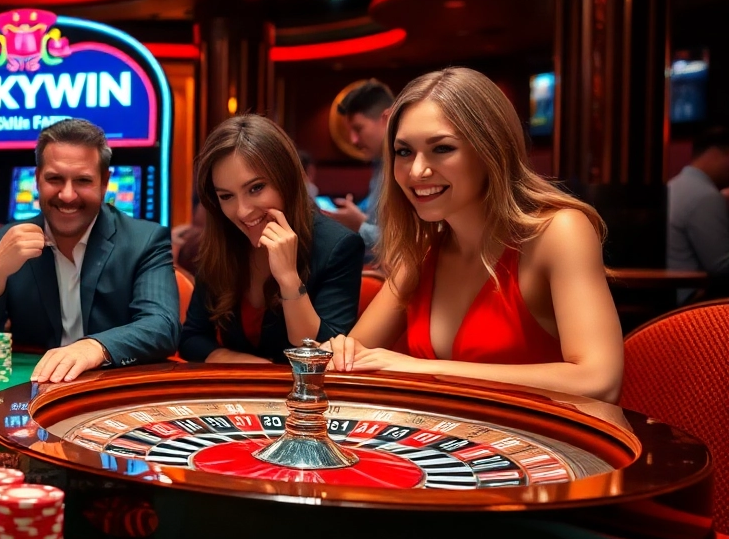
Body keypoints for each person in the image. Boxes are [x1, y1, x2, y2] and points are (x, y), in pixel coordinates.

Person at [326, 67, 623, 404]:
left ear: (490, 151)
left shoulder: (560, 232)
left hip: (553, 447)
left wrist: (419, 370)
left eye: (442, 149)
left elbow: (599, 380)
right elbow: (353, 358)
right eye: (404, 152)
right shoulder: (423, 250)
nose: (417, 171)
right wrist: (341, 350)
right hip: (449, 444)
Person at [0, 118, 179, 383]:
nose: (67, 195)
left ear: (104, 182)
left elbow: (163, 327)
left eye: (83, 180)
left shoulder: (145, 240)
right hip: (32, 387)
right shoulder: (1, 242)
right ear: (37, 179)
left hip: (113, 387)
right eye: (55, 179)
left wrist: (94, 347)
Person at [179, 115, 363, 364]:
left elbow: (321, 353)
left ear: (286, 180)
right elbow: (192, 338)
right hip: (237, 393)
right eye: (226, 196)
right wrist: (243, 364)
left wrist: (289, 279)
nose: (242, 211)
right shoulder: (221, 241)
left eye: (255, 188)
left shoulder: (338, 246)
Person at [325, 80, 395, 262]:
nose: (353, 140)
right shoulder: (380, 165)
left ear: (386, 118)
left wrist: (359, 224)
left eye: (358, 129)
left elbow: (410, 243)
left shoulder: (407, 167)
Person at [667, 126, 729, 302]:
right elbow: (721, 266)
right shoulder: (704, 195)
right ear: (715, 153)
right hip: (691, 302)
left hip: (669, 298)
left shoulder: (675, 185)